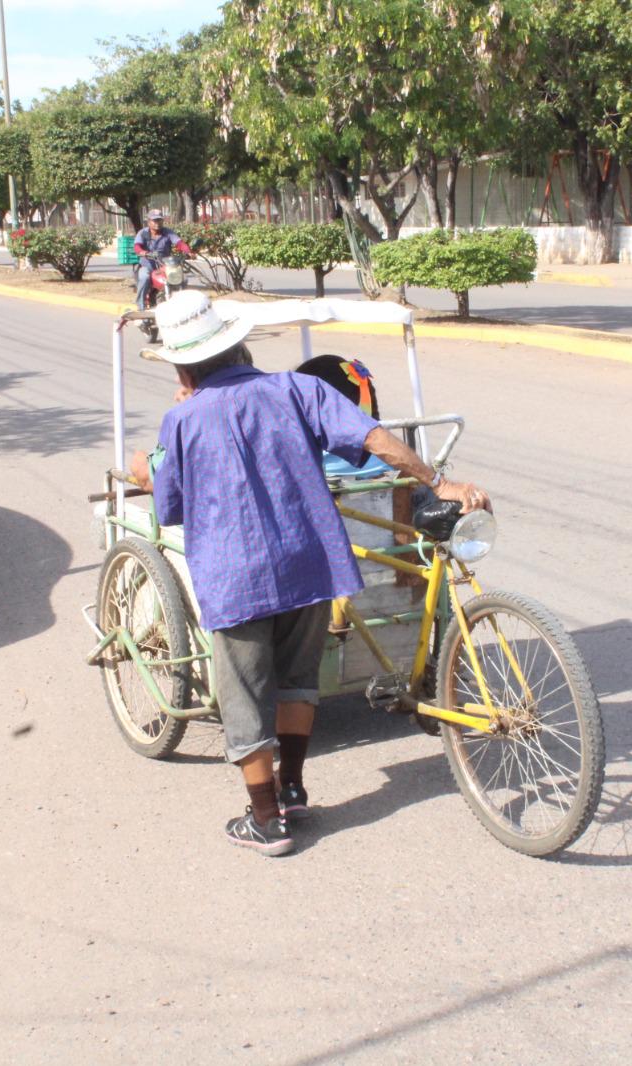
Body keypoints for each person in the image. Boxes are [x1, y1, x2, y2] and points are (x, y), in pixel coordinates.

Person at [126, 291, 490, 857]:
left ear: (184, 369)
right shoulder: (300, 389)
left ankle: (266, 819)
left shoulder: (182, 419)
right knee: (298, 679)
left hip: (237, 577)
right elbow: (374, 438)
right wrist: (440, 483)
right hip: (309, 561)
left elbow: (170, 505)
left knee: (245, 695)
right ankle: (292, 789)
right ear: (238, 348)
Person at [133, 209, 191, 311]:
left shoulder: (168, 232)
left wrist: (188, 251)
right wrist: (144, 252)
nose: (157, 223)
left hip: (165, 266)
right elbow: (137, 247)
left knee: (182, 278)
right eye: (154, 220)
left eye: (159, 220)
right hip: (147, 265)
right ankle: (140, 305)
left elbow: (179, 243)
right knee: (144, 277)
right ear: (148, 222)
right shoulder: (142, 233)